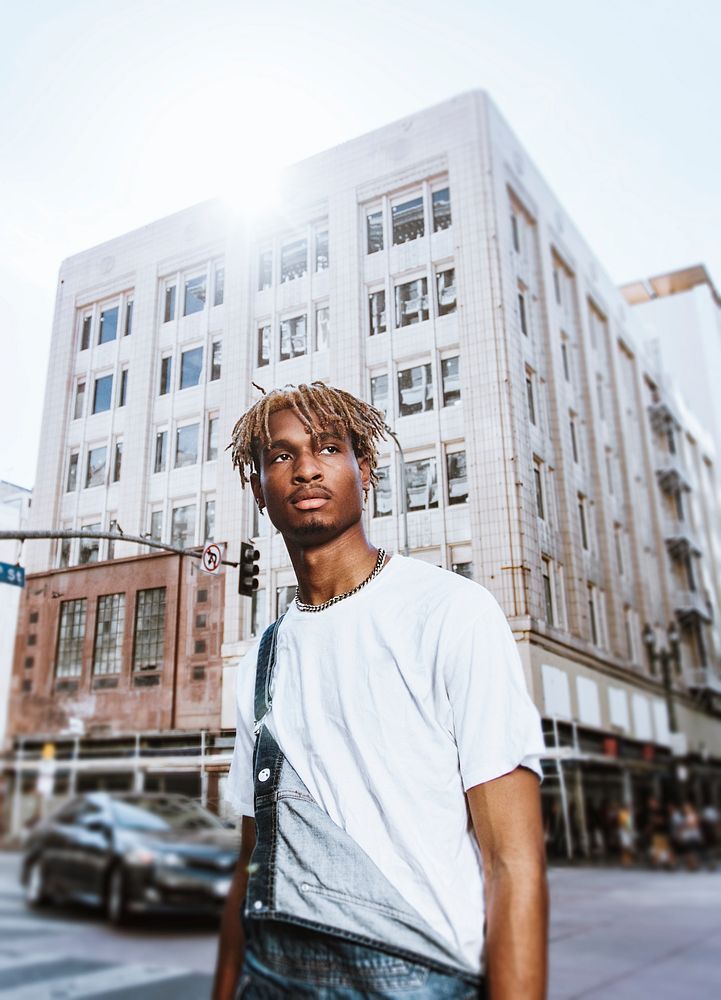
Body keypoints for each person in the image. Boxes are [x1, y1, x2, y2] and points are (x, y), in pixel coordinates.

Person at [212, 382, 548, 999]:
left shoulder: (452, 612)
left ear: (363, 470)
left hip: (415, 976)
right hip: (273, 976)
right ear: (259, 488)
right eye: (281, 456)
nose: (307, 467)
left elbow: (513, 861)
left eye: (328, 448)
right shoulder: (261, 658)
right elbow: (253, 861)